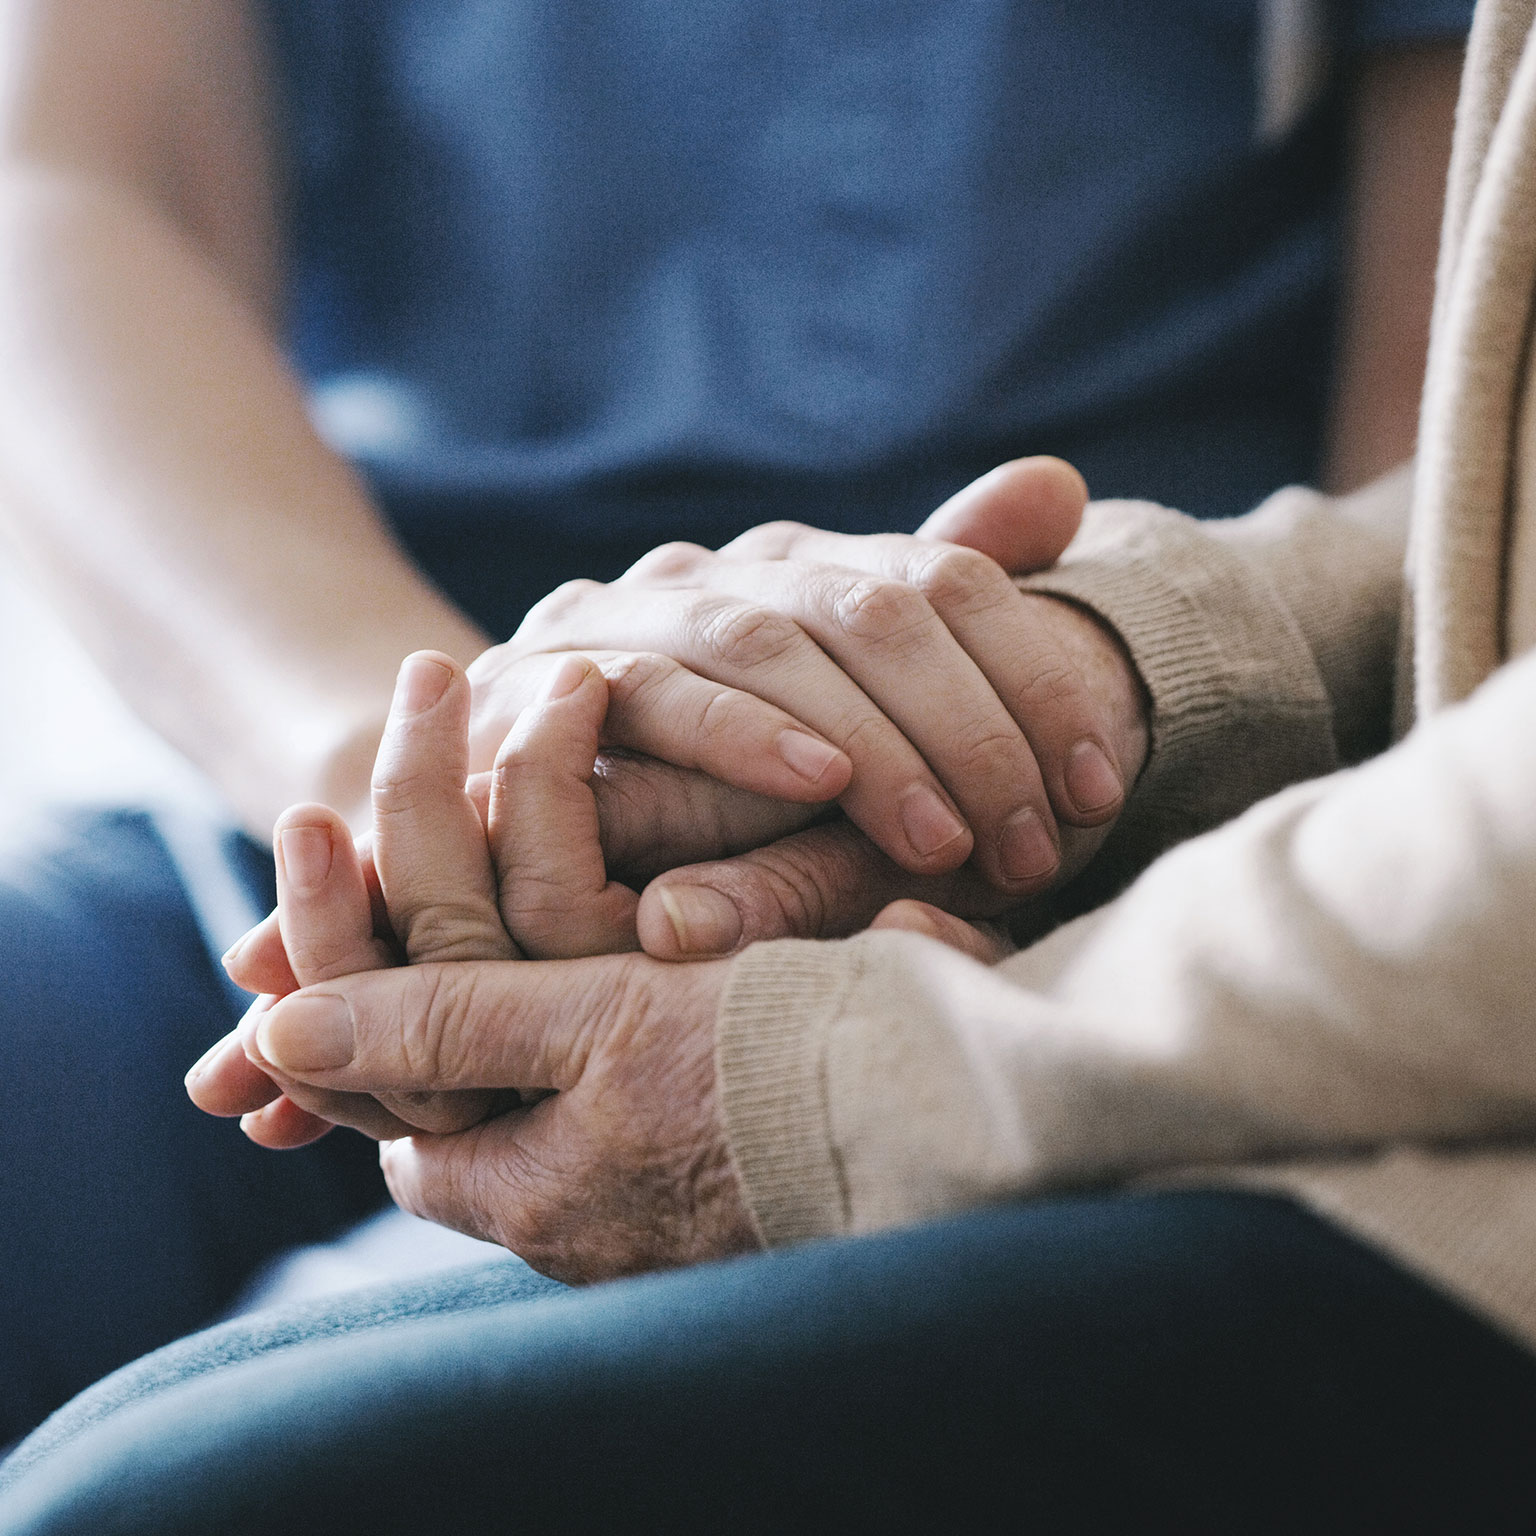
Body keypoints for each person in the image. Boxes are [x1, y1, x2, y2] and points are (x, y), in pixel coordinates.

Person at [9, 0, 1536, 1525]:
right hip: (334, 763)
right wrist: (414, 782)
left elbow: (1460, 462)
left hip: (1064, 831)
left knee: (156, 1494)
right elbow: (69, 180)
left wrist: (1043, 767)